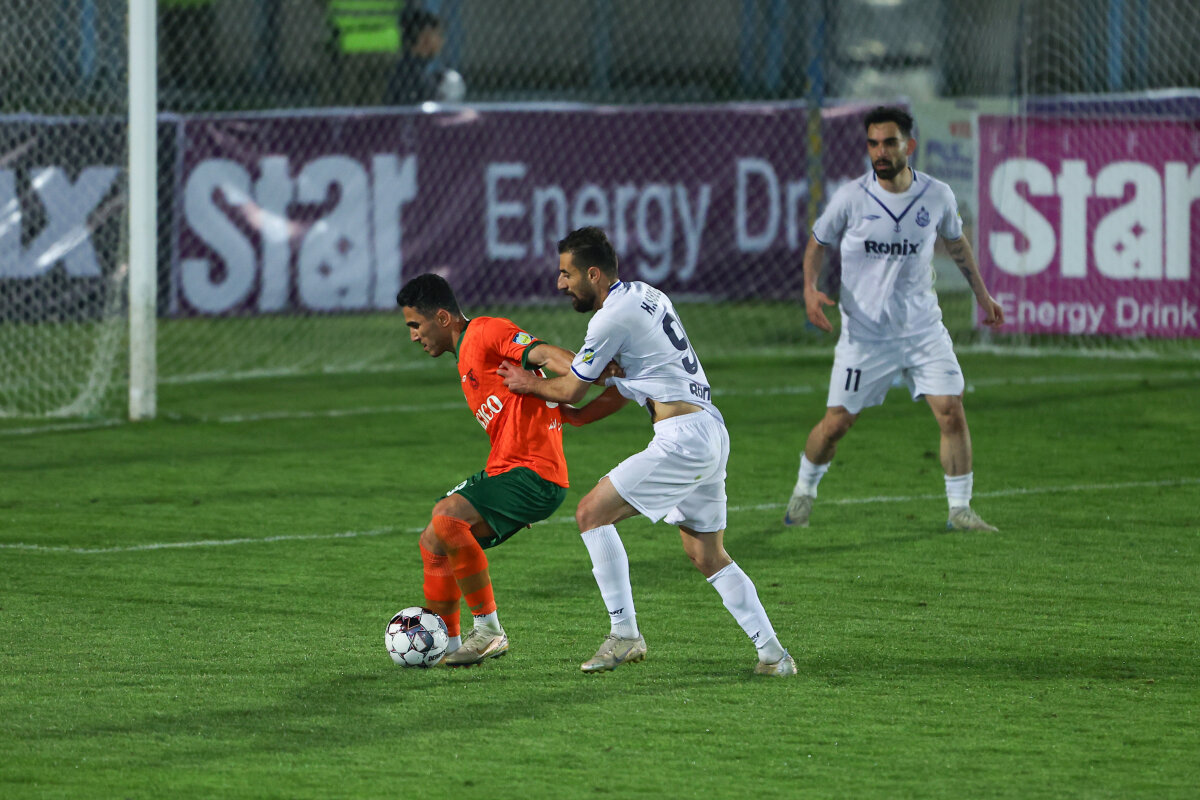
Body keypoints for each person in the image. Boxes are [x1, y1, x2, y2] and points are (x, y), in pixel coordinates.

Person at [498, 227, 796, 677]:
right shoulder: (646, 295)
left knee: (591, 514)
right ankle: (774, 655)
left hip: (683, 439)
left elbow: (571, 388)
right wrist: (578, 416)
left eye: (566, 274)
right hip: (709, 430)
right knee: (707, 555)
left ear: (593, 274)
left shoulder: (609, 319)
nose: (560, 283)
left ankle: (625, 634)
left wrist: (528, 383)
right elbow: (622, 389)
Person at [784, 105, 1005, 532]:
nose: (879, 152)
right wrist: (809, 289)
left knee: (951, 410)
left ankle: (960, 509)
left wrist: (982, 294)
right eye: (873, 144)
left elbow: (957, 243)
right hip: (865, 336)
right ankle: (804, 491)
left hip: (923, 330)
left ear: (910, 145)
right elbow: (817, 241)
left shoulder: (937, 195)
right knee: (836, 425)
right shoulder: (852, 197)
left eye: (889, 143)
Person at [397, 273, 577, 667]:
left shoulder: (484, 332)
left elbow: (545, 355)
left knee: (447, 517)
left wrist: (588, 370)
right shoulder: (465, 357)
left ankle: (489, 630)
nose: (413, 336)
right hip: (506, 471)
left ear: (442, 318)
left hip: (534, 474)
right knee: (433, 540)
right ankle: (446, 646)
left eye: (415, 324)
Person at [383, 8, 445, 105]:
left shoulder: (418, 68)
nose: (441, 41)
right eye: (438, 35)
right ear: (425, 37)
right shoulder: (410, 73)